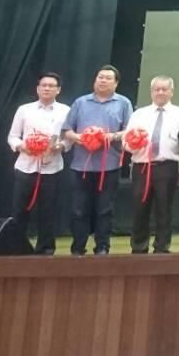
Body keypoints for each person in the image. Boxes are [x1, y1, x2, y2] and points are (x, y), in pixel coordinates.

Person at [61, 65, 133, 255]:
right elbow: (67, 130)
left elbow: (130, 131)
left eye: (108, 78)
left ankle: (102, 247)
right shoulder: (80, 102)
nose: (103, 80)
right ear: (95, 80)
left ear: (116, 83)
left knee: (105, 209)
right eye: (100, 77)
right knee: (79, 209)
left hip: (109, 166)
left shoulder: (123, 103)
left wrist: (111, 136)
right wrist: (81, 138)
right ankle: (78, 247)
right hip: (81, 166)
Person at [7, 72, 70, 255]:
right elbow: (12, 136)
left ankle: (45, 250)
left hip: (52, 169)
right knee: (19, 211)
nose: (47, 88)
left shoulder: (65, 111)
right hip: (25, 167)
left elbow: (69, 139)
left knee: (48, 212)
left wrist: (60, 146)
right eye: (43, 85)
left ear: (58, 90)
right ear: (37, 88)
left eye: (51, 86)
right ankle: (16, 248)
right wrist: (22, 147)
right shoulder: (24, 110)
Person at [125, 75, 179, 254]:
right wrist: (132, 144)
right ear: (151, 92)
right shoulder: (139, 114)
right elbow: (125, 141)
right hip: (141, 166)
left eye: (164, 89)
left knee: (164, 208)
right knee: (140, 208)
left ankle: (162, 247)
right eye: (156, 89)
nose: (160, 92)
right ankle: (138, 246)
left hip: (167, 166)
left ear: (171, 92)